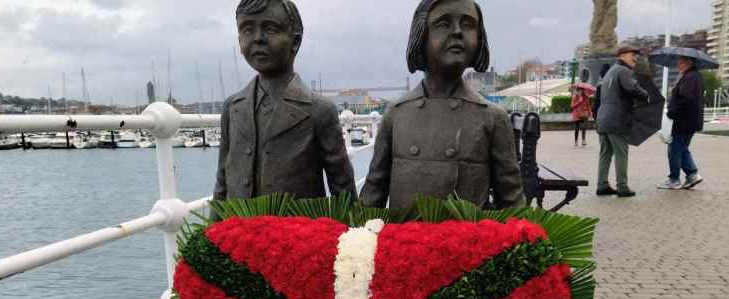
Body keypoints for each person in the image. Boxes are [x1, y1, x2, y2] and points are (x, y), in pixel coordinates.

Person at [359, 0, 522, 211]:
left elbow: (512, 204)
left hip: (466, 242)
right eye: (444, 24)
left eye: (468, 24)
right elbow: (373, 193)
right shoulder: (397, 114)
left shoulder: (492, 118)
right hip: (403, 241)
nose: (457, 32)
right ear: (421, 35)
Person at [213, 0, 356, 201]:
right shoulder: (232, 108)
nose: (257, 39)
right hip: (238, 230)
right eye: (247, 30)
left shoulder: (319, 110)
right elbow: (222, 181)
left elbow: (343, 189)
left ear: (295, 41)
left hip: (299, 230)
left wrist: (351, 230)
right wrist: (210, 231)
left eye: (270, 29)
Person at [596, 44, 650, 198]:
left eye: (636, 55)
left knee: (605, 153)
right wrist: (646, 95)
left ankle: (602, 184)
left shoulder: (609, 73)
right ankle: (622, 186)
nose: (635, 57)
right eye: (632, 54)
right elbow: (631, 88)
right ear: (621, 56)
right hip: (617, 119)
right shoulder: (623, 71)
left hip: (604, 118)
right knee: (621, 153)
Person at [657, 56, 704, 190]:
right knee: (682, 148)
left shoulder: (690, 77)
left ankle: (674, 179)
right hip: (690, 120)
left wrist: (672, 112)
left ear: (688, 63)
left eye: (680, 62)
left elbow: (686, 98)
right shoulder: (695, 76)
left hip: (683, 121)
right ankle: (692, 175)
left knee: (675, 149)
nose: (678, 65)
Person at [571, 69, 593, 147]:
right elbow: (572, 106)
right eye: (579, 90)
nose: (580, 91)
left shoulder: (585, 97)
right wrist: (579, 101)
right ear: (577, 90)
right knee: (577, 128)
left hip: (584, 113)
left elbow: (588, 105)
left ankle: (583, 140)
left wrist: (590, 113)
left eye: (581, 90)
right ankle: (576, 141)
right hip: (576, 113)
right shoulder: (575, 97)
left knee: (584, 127)